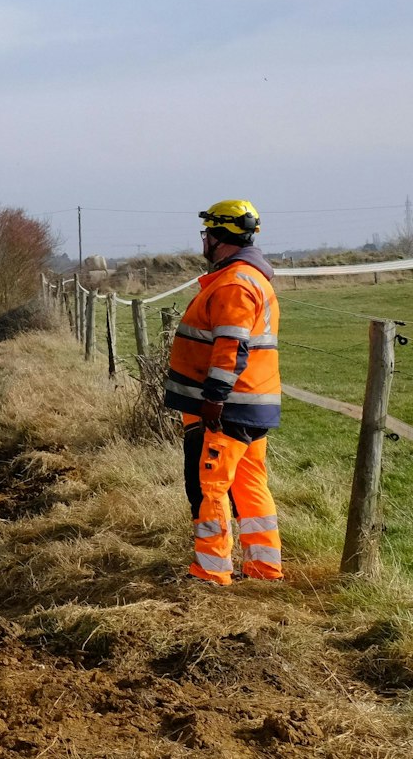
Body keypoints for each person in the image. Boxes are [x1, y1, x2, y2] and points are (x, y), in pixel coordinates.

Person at [163, 200, 282, 585]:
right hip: (252, 404)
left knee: (209, 486)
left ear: (218, 237)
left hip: (227, 407)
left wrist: (214, 399)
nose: (204, 241)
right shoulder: (251, 278)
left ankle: (211, 572)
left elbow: (230, 347)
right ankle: (264, 568)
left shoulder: (234, 284)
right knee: (250, 486)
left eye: (207, 234)